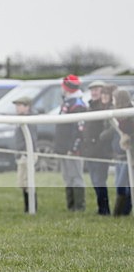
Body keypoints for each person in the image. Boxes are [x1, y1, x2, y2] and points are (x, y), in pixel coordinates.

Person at [54, 74, 87, 212]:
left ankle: (79, 207)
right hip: (63, 148)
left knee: (76, 177)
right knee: (67, 178)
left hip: (73, 150)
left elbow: (79, 130)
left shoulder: (78, 105)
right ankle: (71, 206)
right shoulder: (67, 103)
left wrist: (73, 148)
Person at [82, 80, 112, 215]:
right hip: (90, 151)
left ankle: (104, 210)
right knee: (95, 181)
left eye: (97, 90)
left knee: (100, 181)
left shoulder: (105, 108)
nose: (94, 92)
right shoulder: (90, 106)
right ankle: (101, 208)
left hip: (101, 152)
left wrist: (98, 144)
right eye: (92, 90)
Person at [12, 95, 38, 213]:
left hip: (27, 155)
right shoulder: (19, 119)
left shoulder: (30, 120)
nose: (17, 108)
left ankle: (32, 207)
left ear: (27, 107)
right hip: (21, 155)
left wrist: (26, 153)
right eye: (16, 105)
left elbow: (31, 139)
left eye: (19, 105)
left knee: (28, 182)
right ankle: (27, 207)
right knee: (22, 182)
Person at [110, 88, 133, 216]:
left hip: (128, 156)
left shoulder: (129, 116)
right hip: (119, 155)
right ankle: (120, 213)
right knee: (120, 184)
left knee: (123, 185)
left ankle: (120, 212)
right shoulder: (117, 115)